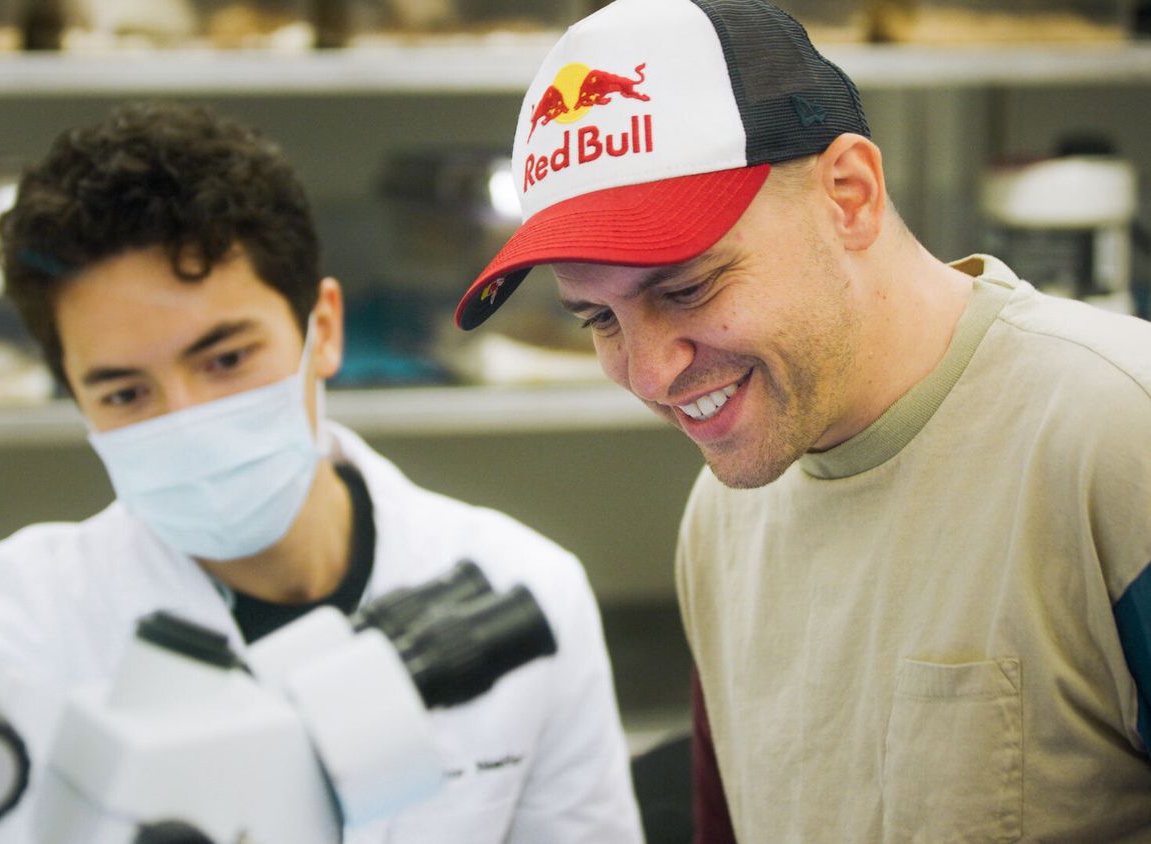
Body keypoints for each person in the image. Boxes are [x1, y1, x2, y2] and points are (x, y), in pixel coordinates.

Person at [454, 0, 1151, 840]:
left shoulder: (1117, 435)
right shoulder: (722, 516)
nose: (648, 374)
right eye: (597, 319)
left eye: (687, 289)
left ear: (848, 196)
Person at [0, 101, 642, 843]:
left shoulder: (525, 586)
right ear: (78, 399)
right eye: (125, 392)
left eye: (226, 359)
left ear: (323, 331)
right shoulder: (23, 623)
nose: (184, 420)